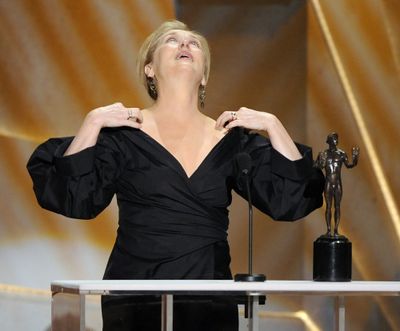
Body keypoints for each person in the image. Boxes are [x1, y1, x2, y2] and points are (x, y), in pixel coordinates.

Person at [27, 20, 324, 331]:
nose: (185, 45)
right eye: (172, 40)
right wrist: (93, 122)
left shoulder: (233, 141)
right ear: (149, 69)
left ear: (205, 75)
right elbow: (74, 198)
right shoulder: (123, 138)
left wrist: (273, 125)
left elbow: (291, 199)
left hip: (209, 298)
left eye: (194, 44)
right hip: (136, 297)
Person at [314, 132, 359, 237]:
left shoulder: (341, 154)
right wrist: (319, 162)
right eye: (334, 139)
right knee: (329, 206)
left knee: (337, 206)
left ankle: (336, 230)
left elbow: (349, 165)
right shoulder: (323, 154)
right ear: (329, 141)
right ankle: (329, 230)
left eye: (336, 139)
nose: (336, 140)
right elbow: (316, 167)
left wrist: (355, 158)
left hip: (338, 183)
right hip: (328, 182)